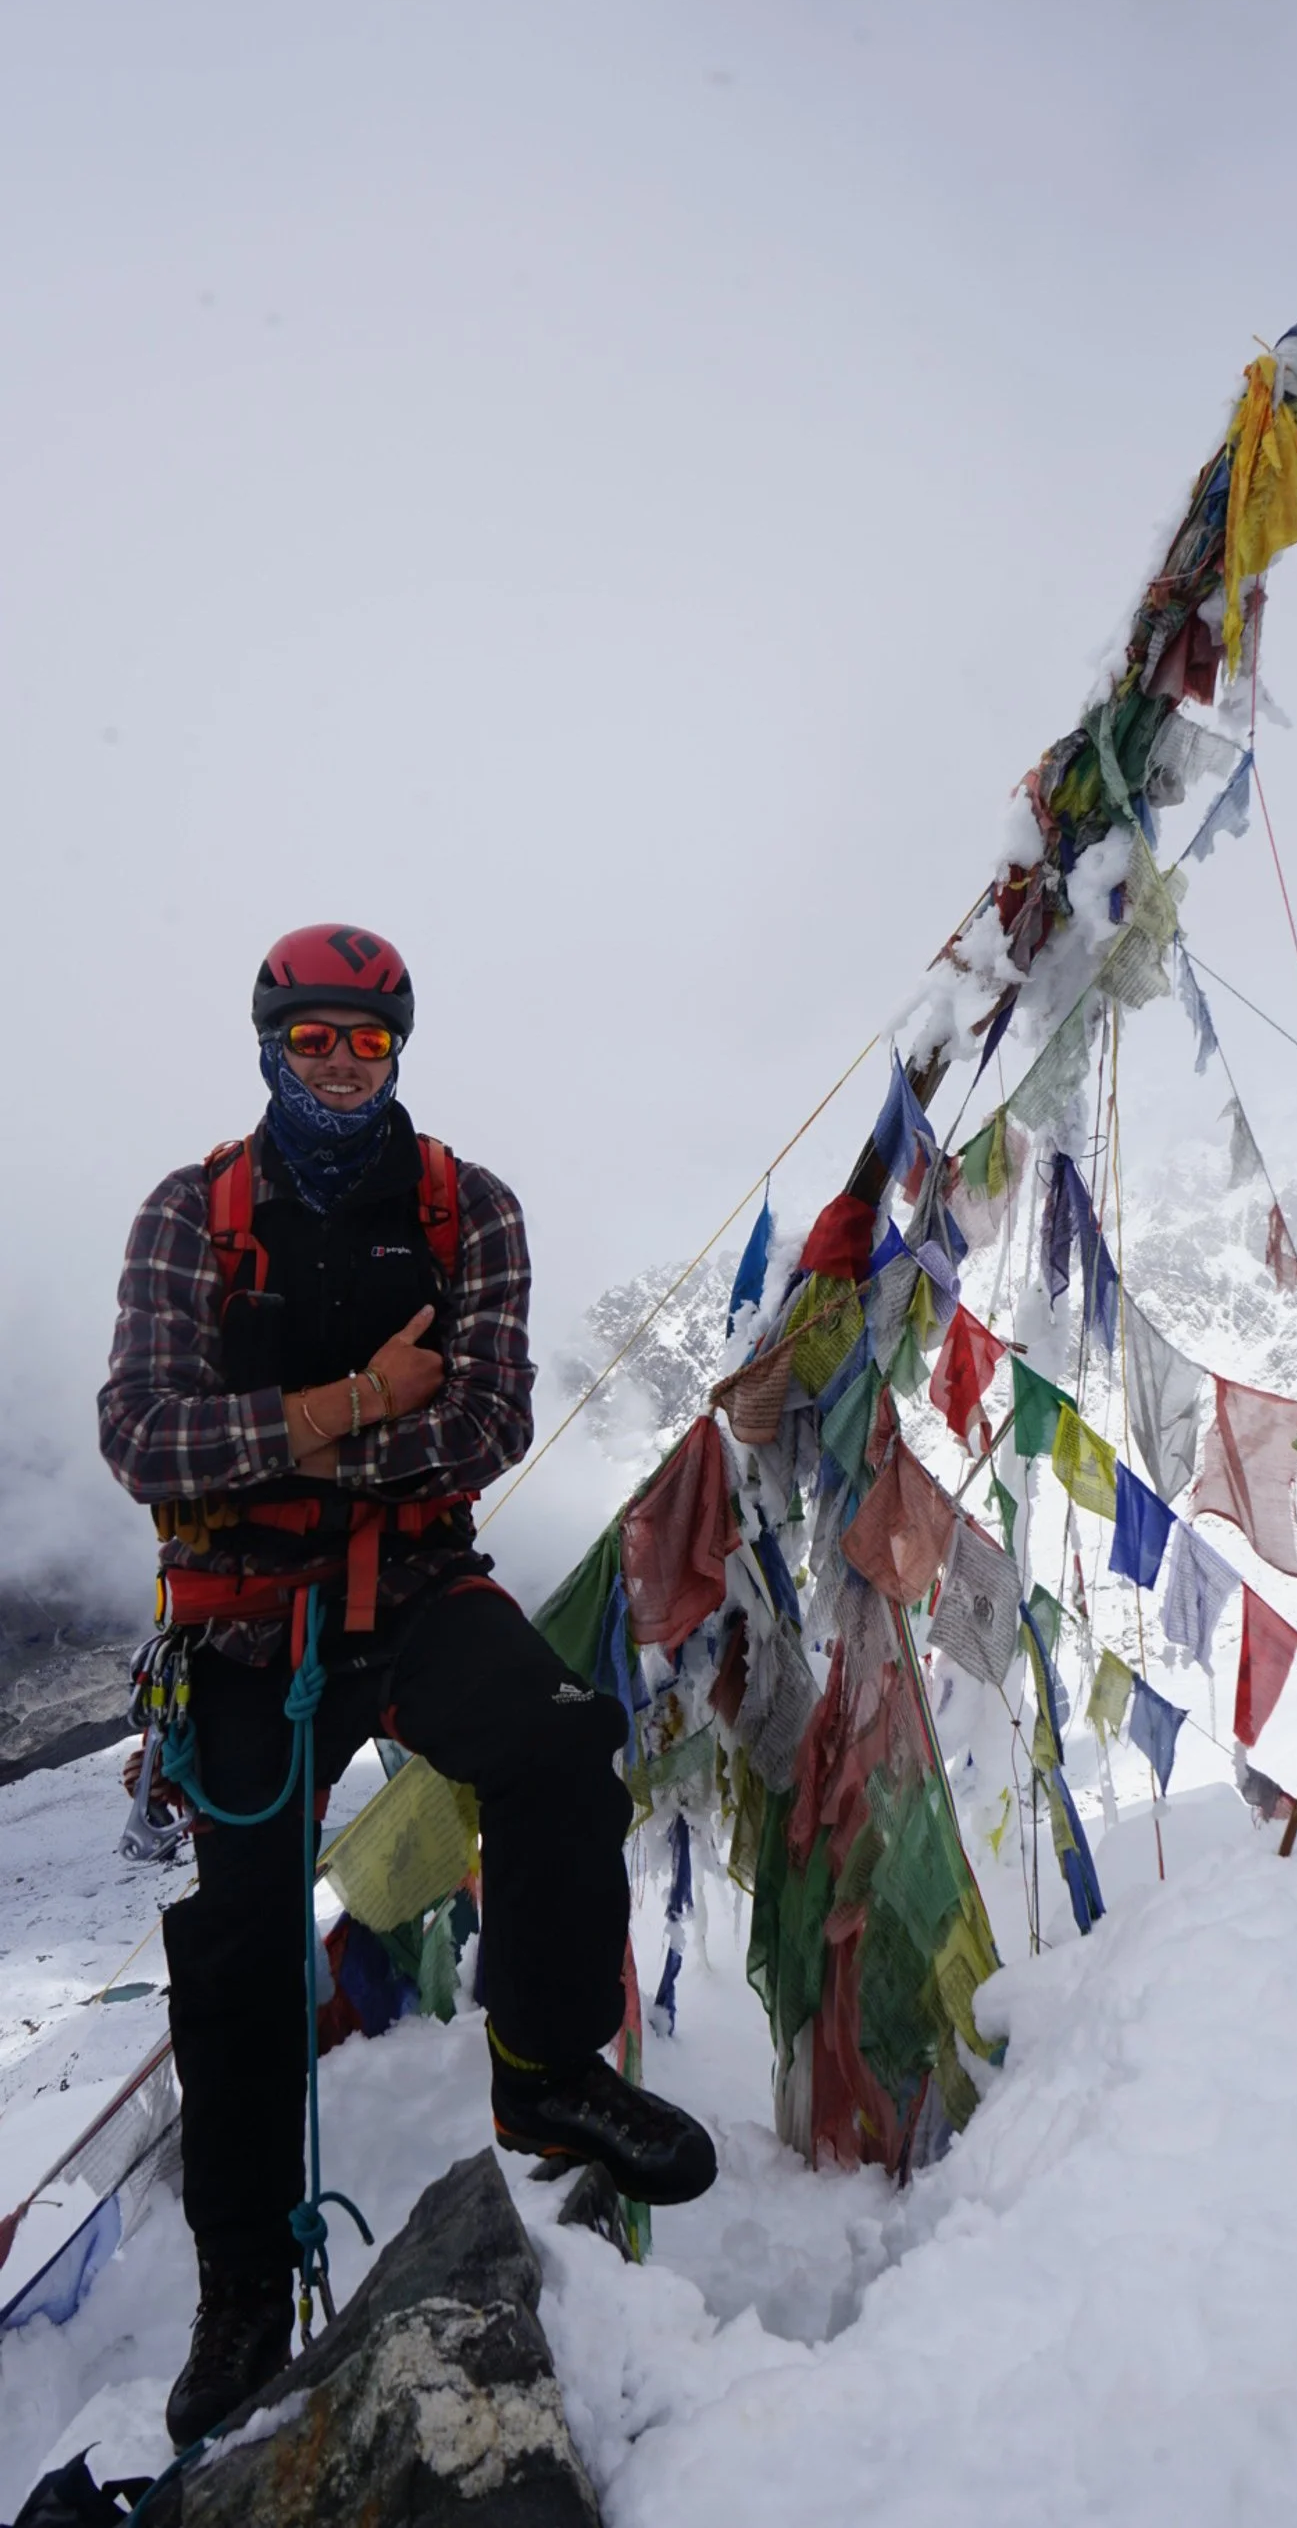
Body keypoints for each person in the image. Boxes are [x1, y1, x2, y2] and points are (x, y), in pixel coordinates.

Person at [99, 923, 715, 2447]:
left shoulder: (464, 1208)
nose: (337, 1065)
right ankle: (240, 2279)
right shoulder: (192, 1214)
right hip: (244, 1624)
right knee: (240, 1938)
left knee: (563, 1750)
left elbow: (487, 1424)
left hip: (416, 1587)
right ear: (269, 1044)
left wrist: (284, 1435)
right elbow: (138, 1438)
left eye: (364, 1043)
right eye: (313, 1038)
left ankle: (546, 2067)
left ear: (397, 1054)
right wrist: (368, 1396)